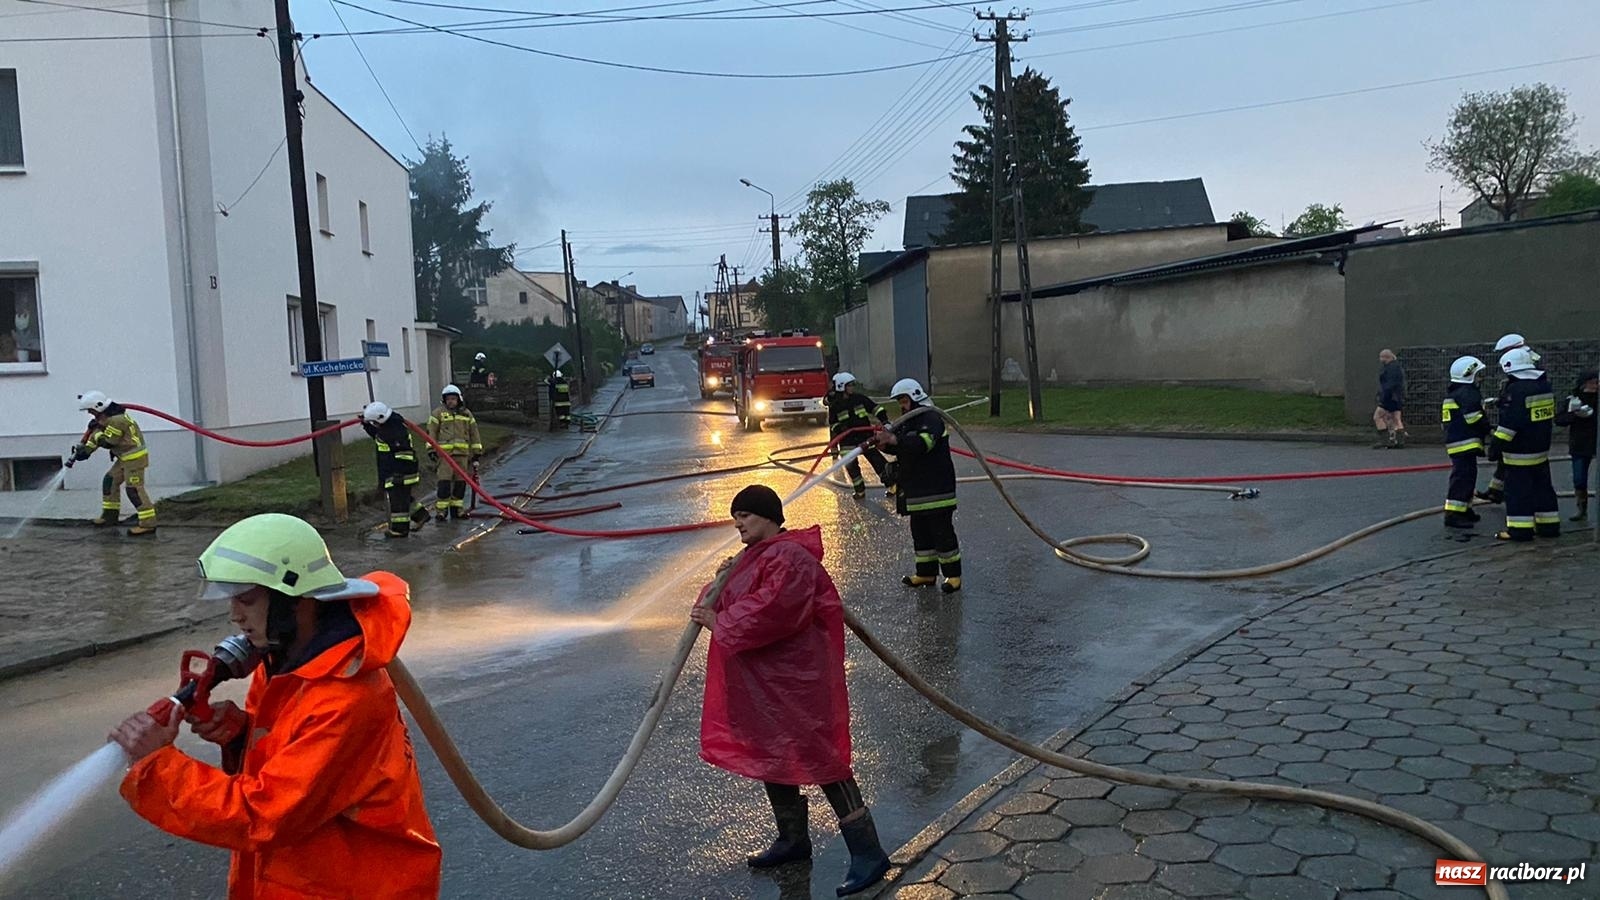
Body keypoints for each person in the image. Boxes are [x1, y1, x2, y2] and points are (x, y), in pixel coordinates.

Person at [110, 513, 442, 899]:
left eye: (247, 599)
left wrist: (159, 767)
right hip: (310, 878)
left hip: (355, 886)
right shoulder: (289, 664)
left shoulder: (345, 695)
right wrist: (242, 735)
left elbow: (265, 814)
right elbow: (300, 766)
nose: (235, 614)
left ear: (293, 598)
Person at [688, 485, 890, 897]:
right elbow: (727, 602)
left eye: (744, 514)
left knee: (824, 760)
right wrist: (720, 585)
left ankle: (868, 852)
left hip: (797, 682)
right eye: (735, 516)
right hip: (764, 684)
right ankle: (793, 840)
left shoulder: (791, 557)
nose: (738, 523)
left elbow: (773, 611)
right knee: (772, 754)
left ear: (767, 516)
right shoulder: (752, 558)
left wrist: (718, 621)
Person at [872, 378, 961, 593]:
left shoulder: (931, 418)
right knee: (920, 533)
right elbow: (901, 447)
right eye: (899, 401)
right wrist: (885, 444)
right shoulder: (907, 422)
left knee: (942, 533)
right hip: (917, 490)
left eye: (904, 400)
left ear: (915, 395)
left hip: (936, 488)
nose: (902, 405)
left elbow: (923, 444)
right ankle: (926, 574)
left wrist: (895, 441)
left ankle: (953, 575)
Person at [1488, 347, 1559, 541]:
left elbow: (1510, 424)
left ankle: (1520, 530)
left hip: (1518, 453)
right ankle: (1549, 526)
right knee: (1543, 490)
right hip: (1540, 450)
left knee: (1518, 492)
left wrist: (1495, 447)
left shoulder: (1516, 390)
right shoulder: (1544, 385)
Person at [70, 390, 157, 536]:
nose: (89, 413)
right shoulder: (105, 418)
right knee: (110, 481)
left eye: (90, 410)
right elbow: (95, 438)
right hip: (124, 457)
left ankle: (148, 524)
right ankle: (110, 516)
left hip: (134, 458)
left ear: (98, 406)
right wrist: (85, 451)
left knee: (134, 490)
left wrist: (96, 432)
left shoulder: (118, 420)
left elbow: (108, 442)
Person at [1478, 333, 1543, 504]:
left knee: (1510, 458)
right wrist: (1500, 401)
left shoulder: (1526, 360)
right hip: (1522, 419)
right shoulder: (1525, 360)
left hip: (1521, 425)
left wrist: (1506, 402)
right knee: (1504, 459)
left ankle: (1499, 492)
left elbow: (1520, 393)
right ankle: (1495, 490)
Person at [362, 401, 430, 538]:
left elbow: (403, 453)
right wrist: (366, 425)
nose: (374, 425)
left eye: (374, 422)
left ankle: (400, 530)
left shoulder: (394, 432)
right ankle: (421, 515)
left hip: (400, 473)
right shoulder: (390, 427)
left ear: (381, 419)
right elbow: (378, 436)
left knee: (397, 503)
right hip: (397, 471)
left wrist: (398, 474)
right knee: (402, 497)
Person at [1440, 356, 1490, 529]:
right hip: (1464, 442)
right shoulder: (1467, 393)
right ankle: (1453, 515)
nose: (1480, 378)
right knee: (1462, 478)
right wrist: (1487, 428)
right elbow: (1473, 418)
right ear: (1469, 374)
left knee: (1467, 477)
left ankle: (1464, 509)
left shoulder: (1455, 392)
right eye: (1478, 374)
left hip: (1458, 442)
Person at [825, 372, 892, 498]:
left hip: (865, 437)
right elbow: (833, 424)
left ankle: (892, 485)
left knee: (878, 462)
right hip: (847, 441)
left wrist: (884, 421)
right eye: (849, 385)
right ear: (841, 386)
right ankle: (859, 490)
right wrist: (841, 429)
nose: (852, 387)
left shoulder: (859, 399)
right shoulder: (835, 405)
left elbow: (876, 408)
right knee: (852, 467)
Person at [426, 384, 482, 522]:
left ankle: (457, 510)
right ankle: (441, 511)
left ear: (459, 399)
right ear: (444, 400)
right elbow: (431, 433)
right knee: (444, 483)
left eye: (453, 398)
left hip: (462, 455)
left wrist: (477, 452)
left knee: (460, 484)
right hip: (444, 456)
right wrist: (431, 450)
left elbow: (474, 433)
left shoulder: (466, 414)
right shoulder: (437, 414)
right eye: (448, 399)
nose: (451, 401)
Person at [1559, 369, 1597, 522]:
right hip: (1581, 443)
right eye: (1594, 382)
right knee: (1579, 478)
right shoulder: (1574, 400)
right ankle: (1582, 509)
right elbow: (1560, 420)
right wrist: (1574, 414)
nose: (1596, 386)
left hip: (1593, 441)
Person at [1372, 349, 1407, 449]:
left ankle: (1385, 441)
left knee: (1377, 416)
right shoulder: (1397, 367)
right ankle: (1400, 441)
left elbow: (1388, 385)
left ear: (1386, 357)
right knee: (1396, 419)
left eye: (1382, 357)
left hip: (1389, 397)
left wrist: (1383, 397)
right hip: (1397, 397)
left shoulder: (1389, 369)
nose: (1380, 359)